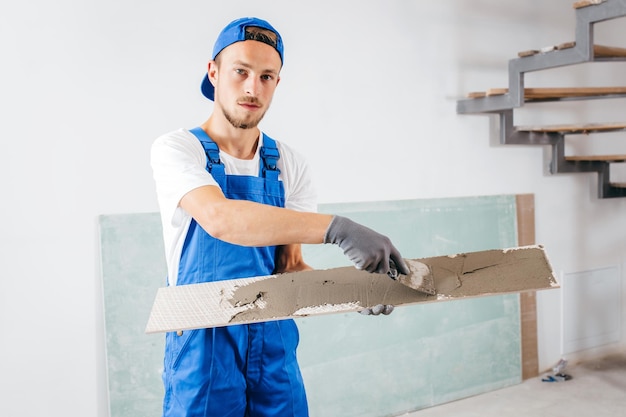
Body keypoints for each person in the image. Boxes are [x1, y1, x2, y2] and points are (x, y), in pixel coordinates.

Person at [150, 16, 409, 417]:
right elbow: (220, 218)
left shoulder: (289, 164)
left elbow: (289, 268)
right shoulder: (178, 150)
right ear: (213, 73)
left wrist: (352, 290)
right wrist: (336, 228)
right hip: (203, 345)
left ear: (277, 83)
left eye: (267, 76)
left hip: (272, 340)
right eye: (241, 71)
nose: (253, 88)